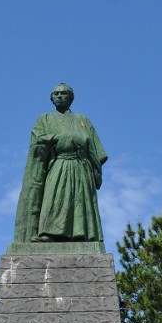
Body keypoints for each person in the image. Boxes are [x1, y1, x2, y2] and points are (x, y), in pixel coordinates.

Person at [14, 83, 107, 242]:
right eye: (55, 93)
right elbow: (38, 140)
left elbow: (98, 152)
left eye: (63, 93)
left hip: (81, 166)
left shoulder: (83, 120)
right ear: (51, 98)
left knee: (79, 201)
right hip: (58, 163)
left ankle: (81, 234)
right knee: (54, 199)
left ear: (71, 98)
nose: (59, 96)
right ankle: (49, 233)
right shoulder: (44, 119)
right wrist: (55, 138)